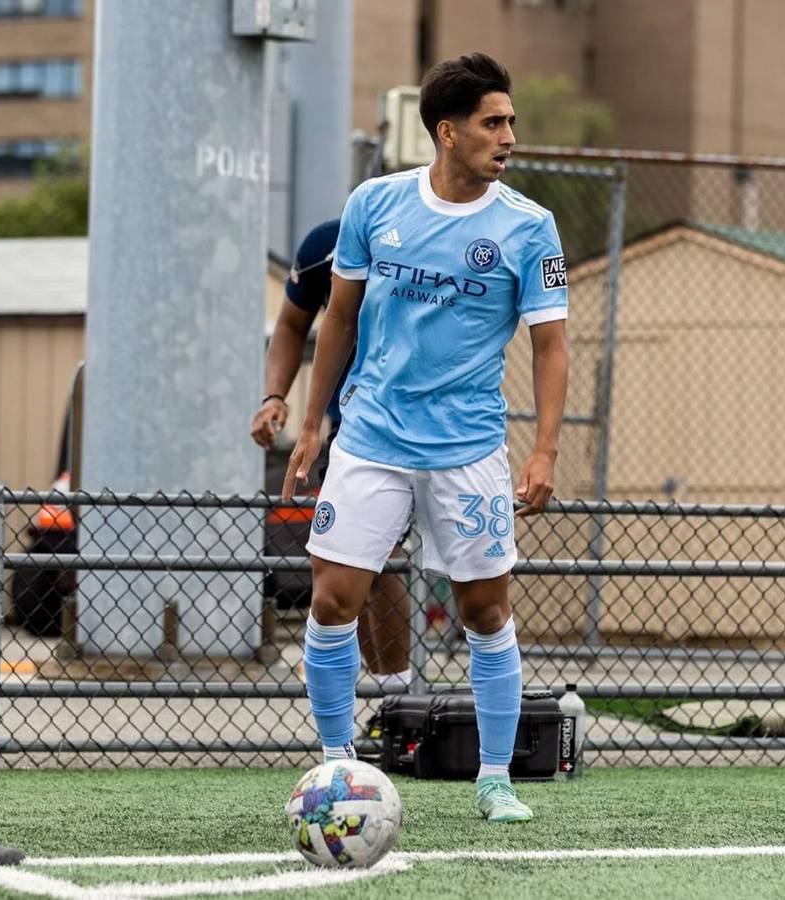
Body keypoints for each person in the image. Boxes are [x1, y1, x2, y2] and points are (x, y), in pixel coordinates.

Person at [282, 53, 568, 824]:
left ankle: (496, 780)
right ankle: (339, 768)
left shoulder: (528, 227)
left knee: (483, 612)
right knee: (335, 597)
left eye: (509, 122)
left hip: (469, 449)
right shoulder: (374, 204)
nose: (508, 136)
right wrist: (311, 422)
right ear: (448, 132)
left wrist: (543, 449)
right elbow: (335, 317)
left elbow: (550, 346)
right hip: (371, 437)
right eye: (492, 122)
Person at [250, 221, 412, 692]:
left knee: (401, 567)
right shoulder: (325, 245)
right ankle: (387, 698)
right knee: (354, 561)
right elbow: (292, 324)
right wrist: (274, 396)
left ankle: (399, 696)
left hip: (438, 425)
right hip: (356, 428)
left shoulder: (435, 237)